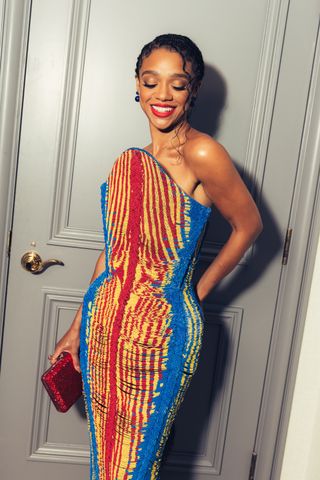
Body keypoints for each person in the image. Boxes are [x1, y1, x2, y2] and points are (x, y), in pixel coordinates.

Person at [49, 33, 263, 479]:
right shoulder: (129, 160)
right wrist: (76, 329)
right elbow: (112, 252)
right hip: (104, 325)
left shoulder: (202, 152)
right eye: (151, 82)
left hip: (159, 334)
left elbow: (250, 228)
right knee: (105, 459)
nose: (162, 95)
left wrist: (191, 294)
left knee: (134, 465)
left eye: (177, 84)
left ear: (194, 89)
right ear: (137, 85)